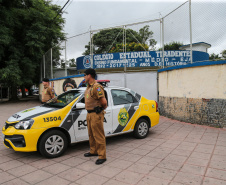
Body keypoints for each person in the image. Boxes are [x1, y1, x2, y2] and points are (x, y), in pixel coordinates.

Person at [83, 68, 107, 165]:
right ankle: (93, 151)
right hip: (89, 114)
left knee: (98, 135)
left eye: (85, 75)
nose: (84, 77)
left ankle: (102, 156)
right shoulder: (88, 87)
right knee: (91, 134)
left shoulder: (97, 87)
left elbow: (104, 102)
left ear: (89, 75)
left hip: (96, 114)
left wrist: (101, 109)